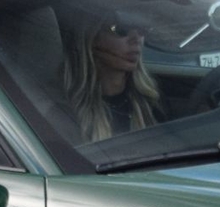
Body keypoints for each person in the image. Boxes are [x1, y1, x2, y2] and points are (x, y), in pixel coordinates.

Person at [66, 10, 162, 141]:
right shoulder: (68, 113)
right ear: (92, 39)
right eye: (120, 29)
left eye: (142, 30)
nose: (136, 39)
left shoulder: (150, 101)